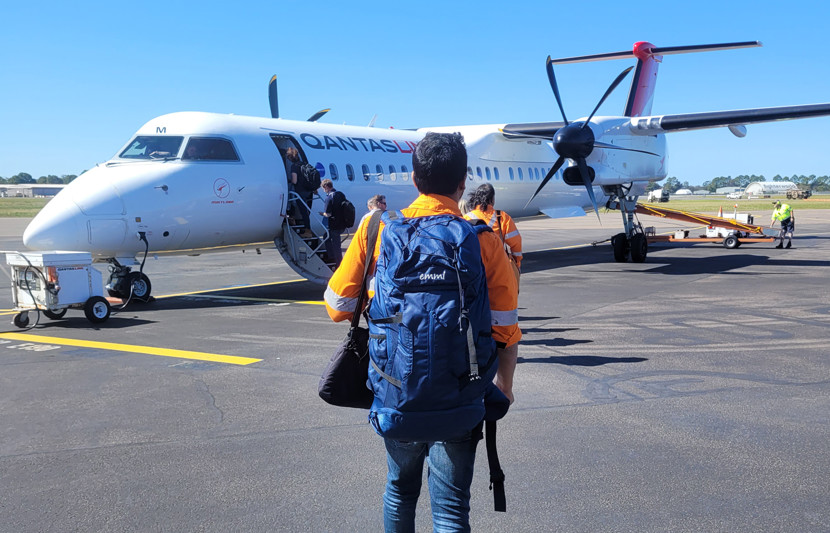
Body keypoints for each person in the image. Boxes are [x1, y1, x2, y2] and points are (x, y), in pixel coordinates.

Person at [324, 132, 520, 532]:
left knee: (399, 491)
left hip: (396, 393)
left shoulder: (376, 230)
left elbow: (338, 308)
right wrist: (505, 384)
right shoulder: (483, 239)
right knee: (451, 510)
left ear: (414, 180)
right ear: (462, 183)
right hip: (462, 398)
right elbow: (505, 328)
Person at [464, 183, 523, 270]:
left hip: (476, 267)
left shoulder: (466, 218)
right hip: (498, 266)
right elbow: (516, 241)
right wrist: (516, 261)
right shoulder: (502, 217)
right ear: (492, 199)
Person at [286, 147, 313, 237]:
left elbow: (294, 181)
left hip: (300, 192)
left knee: (293, 204)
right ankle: (296, 221)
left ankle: (307, 230)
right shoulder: (304, 164)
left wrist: (288, 181)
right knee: (304, 211)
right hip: (307, 191)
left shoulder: (294, 166)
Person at [320, 179, 346, 267]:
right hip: (342, 223)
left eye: (323, 188)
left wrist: (321, 213)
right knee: (326, 237)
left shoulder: (329, 198)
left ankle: (339, 263)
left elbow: (328, 214)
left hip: (334, 225)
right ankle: (332, 257)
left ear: (326, 187)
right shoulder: (340, 194)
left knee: (336, 246)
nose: (324, 190)